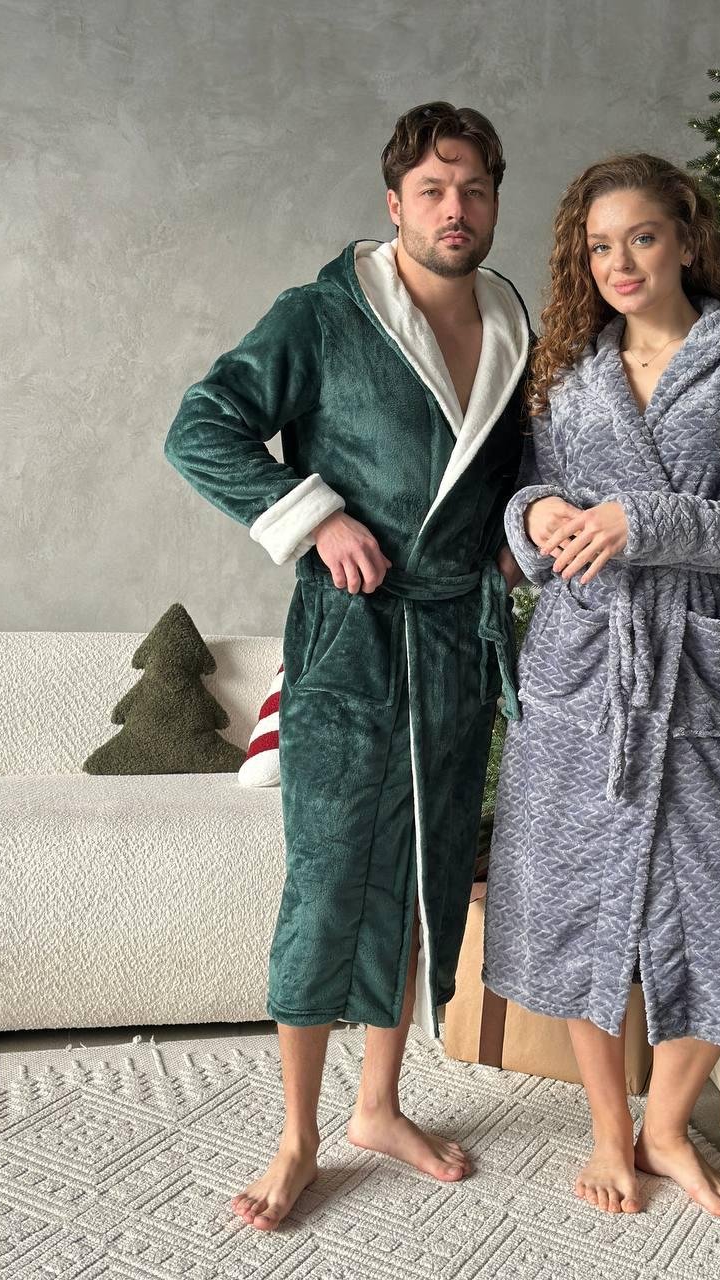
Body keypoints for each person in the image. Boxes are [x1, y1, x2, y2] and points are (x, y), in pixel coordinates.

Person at [163, 101, 530, 1231]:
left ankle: (378, 1105)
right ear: (394, 202)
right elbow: (201, 425)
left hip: (455, 640)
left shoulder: (514, 323)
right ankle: (297, 1136)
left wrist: (519, 542)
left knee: (422, 875)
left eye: (473, 190)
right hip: (352, 636)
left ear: (494, 201)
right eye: (433, 190)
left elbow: (515, 472)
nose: (455, 209)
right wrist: (315, 516)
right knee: (328, 879)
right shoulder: (323, 314)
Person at [483, 154, 720, 1217]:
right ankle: (607, 1128)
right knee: (575, 891)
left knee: (716, 900)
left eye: (642, 237)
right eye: (598, 246)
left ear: (684, 237)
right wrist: (534, 514)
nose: (619, 262)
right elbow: (528, 488)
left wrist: (641, 519)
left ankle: (666, 1127)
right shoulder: (569, 367)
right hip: (580, 658)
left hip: (691, 659)